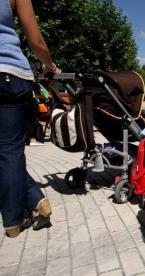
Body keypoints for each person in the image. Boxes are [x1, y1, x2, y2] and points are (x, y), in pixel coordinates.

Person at [0, 0, 60, 238]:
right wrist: (51, 66)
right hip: (12, 74)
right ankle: (32, 201)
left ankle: (14, 220)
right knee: (10, 150)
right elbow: (36, 41)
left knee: (6, 151)